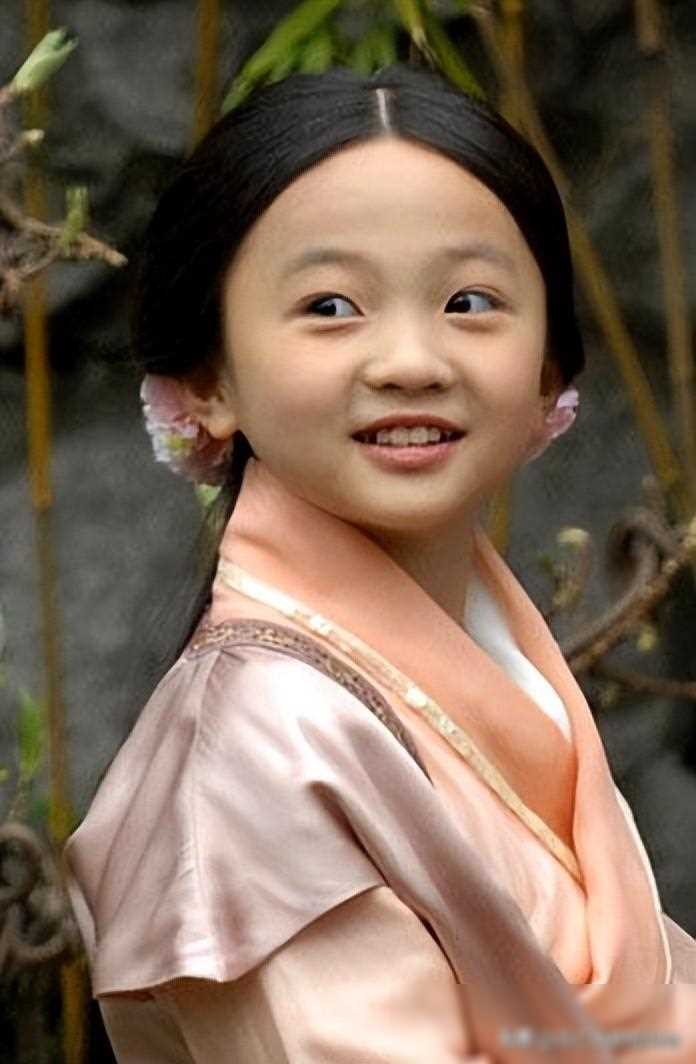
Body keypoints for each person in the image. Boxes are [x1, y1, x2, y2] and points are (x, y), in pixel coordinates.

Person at [63, 62, 696, 1062]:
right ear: (208, 380)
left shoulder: (501, 664)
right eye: (330, 305)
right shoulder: (256, 748)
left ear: (547, 375)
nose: (411, 360)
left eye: (470, 300)